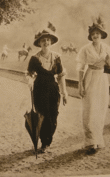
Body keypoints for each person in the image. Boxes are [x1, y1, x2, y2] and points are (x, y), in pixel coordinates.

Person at [27, 22, 68, 153]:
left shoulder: (57, 57)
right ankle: (44, 142)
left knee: (53, 115)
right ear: (39, 43)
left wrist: (65, 92)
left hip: (53, 90)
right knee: (42, 115)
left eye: (48, 40)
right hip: (39, 89)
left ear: (51, 42)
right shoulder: (34, 58)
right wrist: (29, 80)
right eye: (43, 40)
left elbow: (61, 75)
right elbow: (30, 74)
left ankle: (48, 138)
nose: (46, 43)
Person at [76, 18, 110, 154]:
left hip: (102, 79)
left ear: (102, 35)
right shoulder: (85, 49)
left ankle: (98, 140)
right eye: (93, 34)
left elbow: (109, 70)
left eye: (98, 33)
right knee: (90, 109)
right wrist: (80, 85)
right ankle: (90, 141)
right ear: (90, 36)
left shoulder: (107, 48)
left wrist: (109, 63)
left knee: (100, 109)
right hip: (90, 77)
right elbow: (80, 68)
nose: (96, 36)